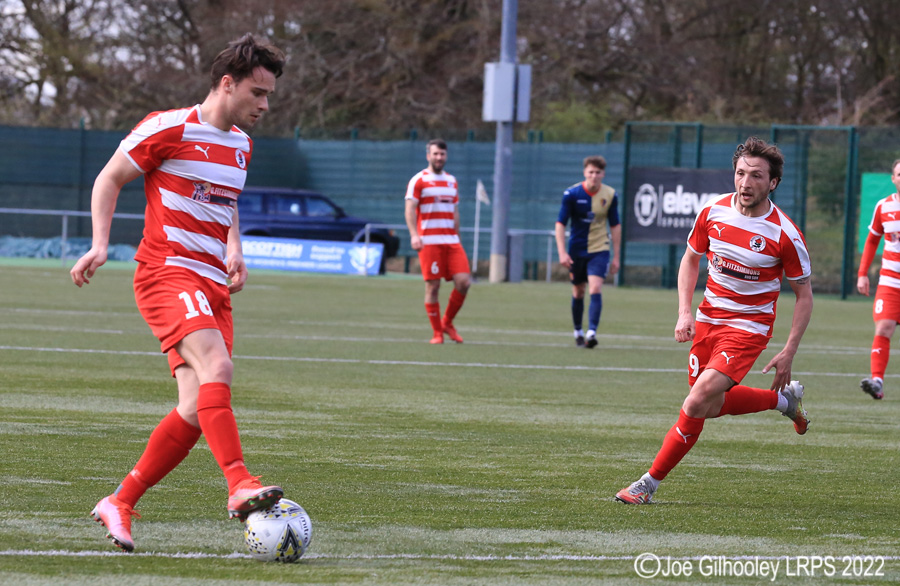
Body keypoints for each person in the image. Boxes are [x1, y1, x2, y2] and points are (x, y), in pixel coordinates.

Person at [69, 34, 287, 551]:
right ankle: (239, 484)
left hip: (213, 281)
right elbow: (109, 178)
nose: (264, 105)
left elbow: (225, 199)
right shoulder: (168, 127)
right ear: (227, 83)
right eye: (258, 93)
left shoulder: (241, 144)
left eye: (270, 96)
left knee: (195, 406)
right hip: (167, 272)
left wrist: (235, 247)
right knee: (219, 370)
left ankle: (119, 500)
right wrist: (100, 244)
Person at [615, 137, 813, 505]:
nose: (746, 182)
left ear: (773, 183)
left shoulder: (785, 234)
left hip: (747, 330)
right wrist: (684, 311)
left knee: (696, 402)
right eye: (740, 173)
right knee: (710, 404)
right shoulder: (713, 212)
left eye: (756, 175)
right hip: (707, 322)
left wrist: (788, 351)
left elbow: (804, 295)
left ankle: (646, 485)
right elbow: (691, 259)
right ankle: (783, 403)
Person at [404, 139, 471, 344]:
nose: (439, 158)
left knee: (464, 282)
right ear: (428, 156)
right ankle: (437, 333)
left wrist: (457, 238)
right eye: (435, 154)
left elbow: (455, 212)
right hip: (429, 241)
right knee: (433, 287)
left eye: (442, 154)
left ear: (446, 156)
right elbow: (409, 209)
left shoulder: (452, 181)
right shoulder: (419, 180)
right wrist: (414, 234)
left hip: (451, 241)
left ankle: (447, 322)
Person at [555, 155, 621, 348]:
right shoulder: (571, 194)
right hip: (576, 250)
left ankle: (591, 333)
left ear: (603, 174)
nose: (594, 176)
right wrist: (561, 252)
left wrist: (616, 256)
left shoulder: (610, 195)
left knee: (595, 288)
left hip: (599, 249)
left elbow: (615, 225)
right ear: (585, 172)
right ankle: (578, 331)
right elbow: (560, 224)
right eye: (590, 172)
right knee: (578, 291)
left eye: (598, 172)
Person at [856, 159, 900, 400]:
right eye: (899, 174)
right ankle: (877, 381)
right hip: (891, 282)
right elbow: (873, 239)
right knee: (883, 327)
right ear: (893, 179)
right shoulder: (883, 207)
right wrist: (862, 273)